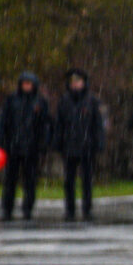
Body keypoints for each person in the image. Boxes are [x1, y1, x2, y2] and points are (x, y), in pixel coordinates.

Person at [0, 71, 51, 222]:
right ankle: (7, 209)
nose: (26, 86)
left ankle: (28, 209)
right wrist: (3, 142)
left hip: (31, 148)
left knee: (30, 181)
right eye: (24, 83)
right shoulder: (12, 100)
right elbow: (3, 122)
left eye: (29, 83)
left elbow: (44, 125)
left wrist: (42, 145)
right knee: (10, 181)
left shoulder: (40, 102)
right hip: (13, 147)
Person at [54, 68, 104, 222]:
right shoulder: (64, 101)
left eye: (78, 81)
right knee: (69, 181)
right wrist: (57, 142)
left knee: (87, 180)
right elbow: (59, 124)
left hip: (87, 147)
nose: (75, 84)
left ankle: (87, 209)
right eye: (73, 82)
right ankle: (70, 210)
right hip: (69, 146)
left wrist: (99, 143)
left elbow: (97, 124)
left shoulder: (92, 101)